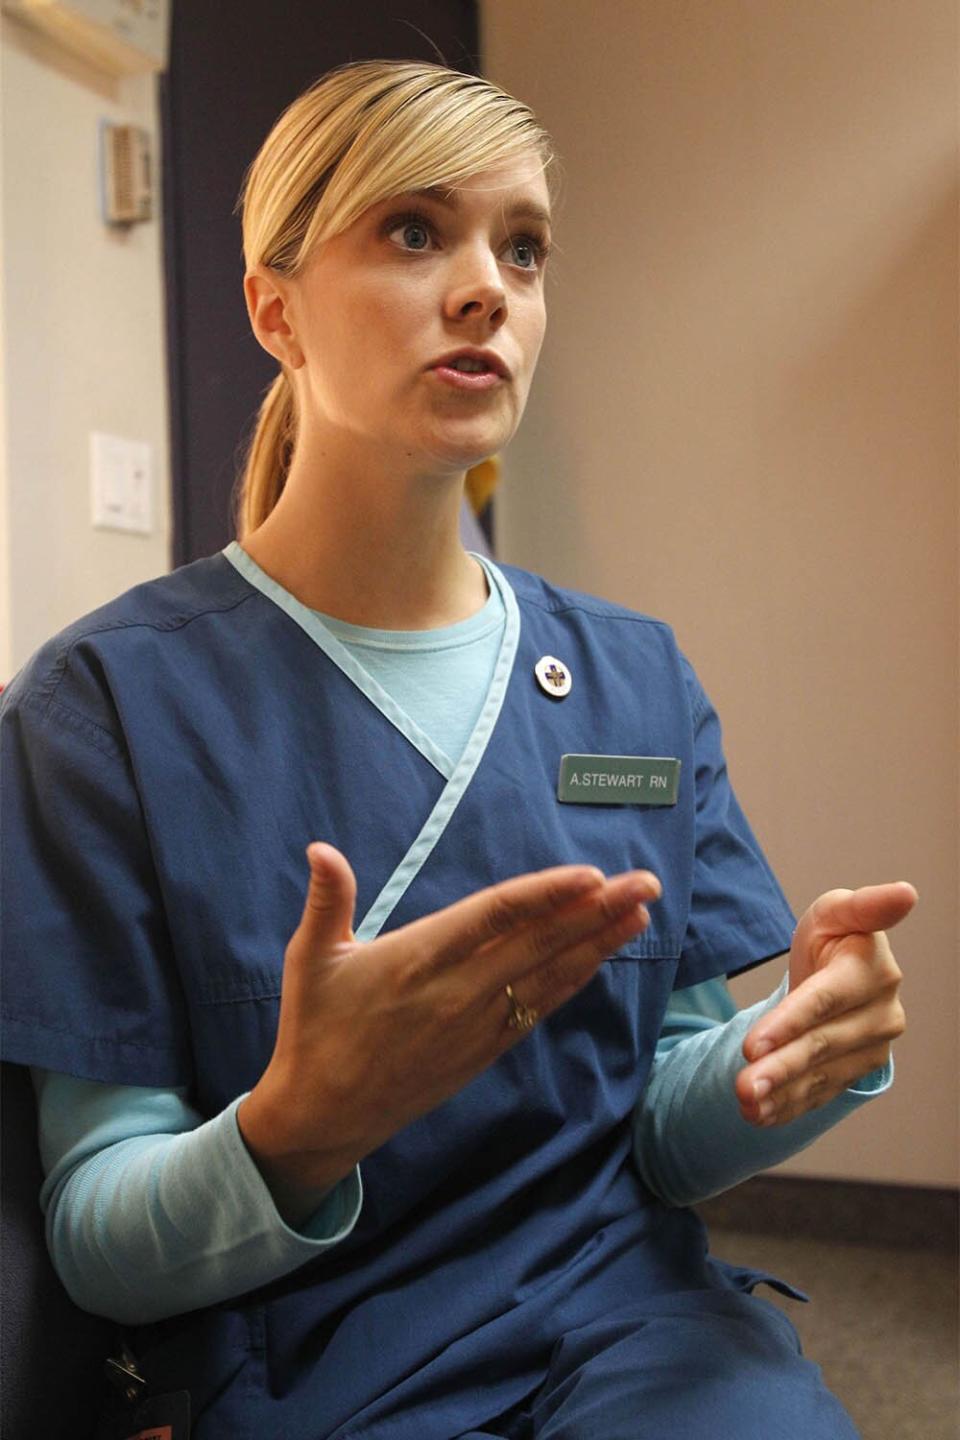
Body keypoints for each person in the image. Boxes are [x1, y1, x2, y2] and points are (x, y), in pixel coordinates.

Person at [0, 58, 915, 1440]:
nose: (489, 285)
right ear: (275, 310)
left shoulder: (635, 684)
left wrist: (791, 1059)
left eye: (526, 248)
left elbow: (659, 1138)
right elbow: (95, 1240)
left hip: (633, 1327)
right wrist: (299, 1124)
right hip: (314, 1364)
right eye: (415, 232)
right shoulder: (104, 711)